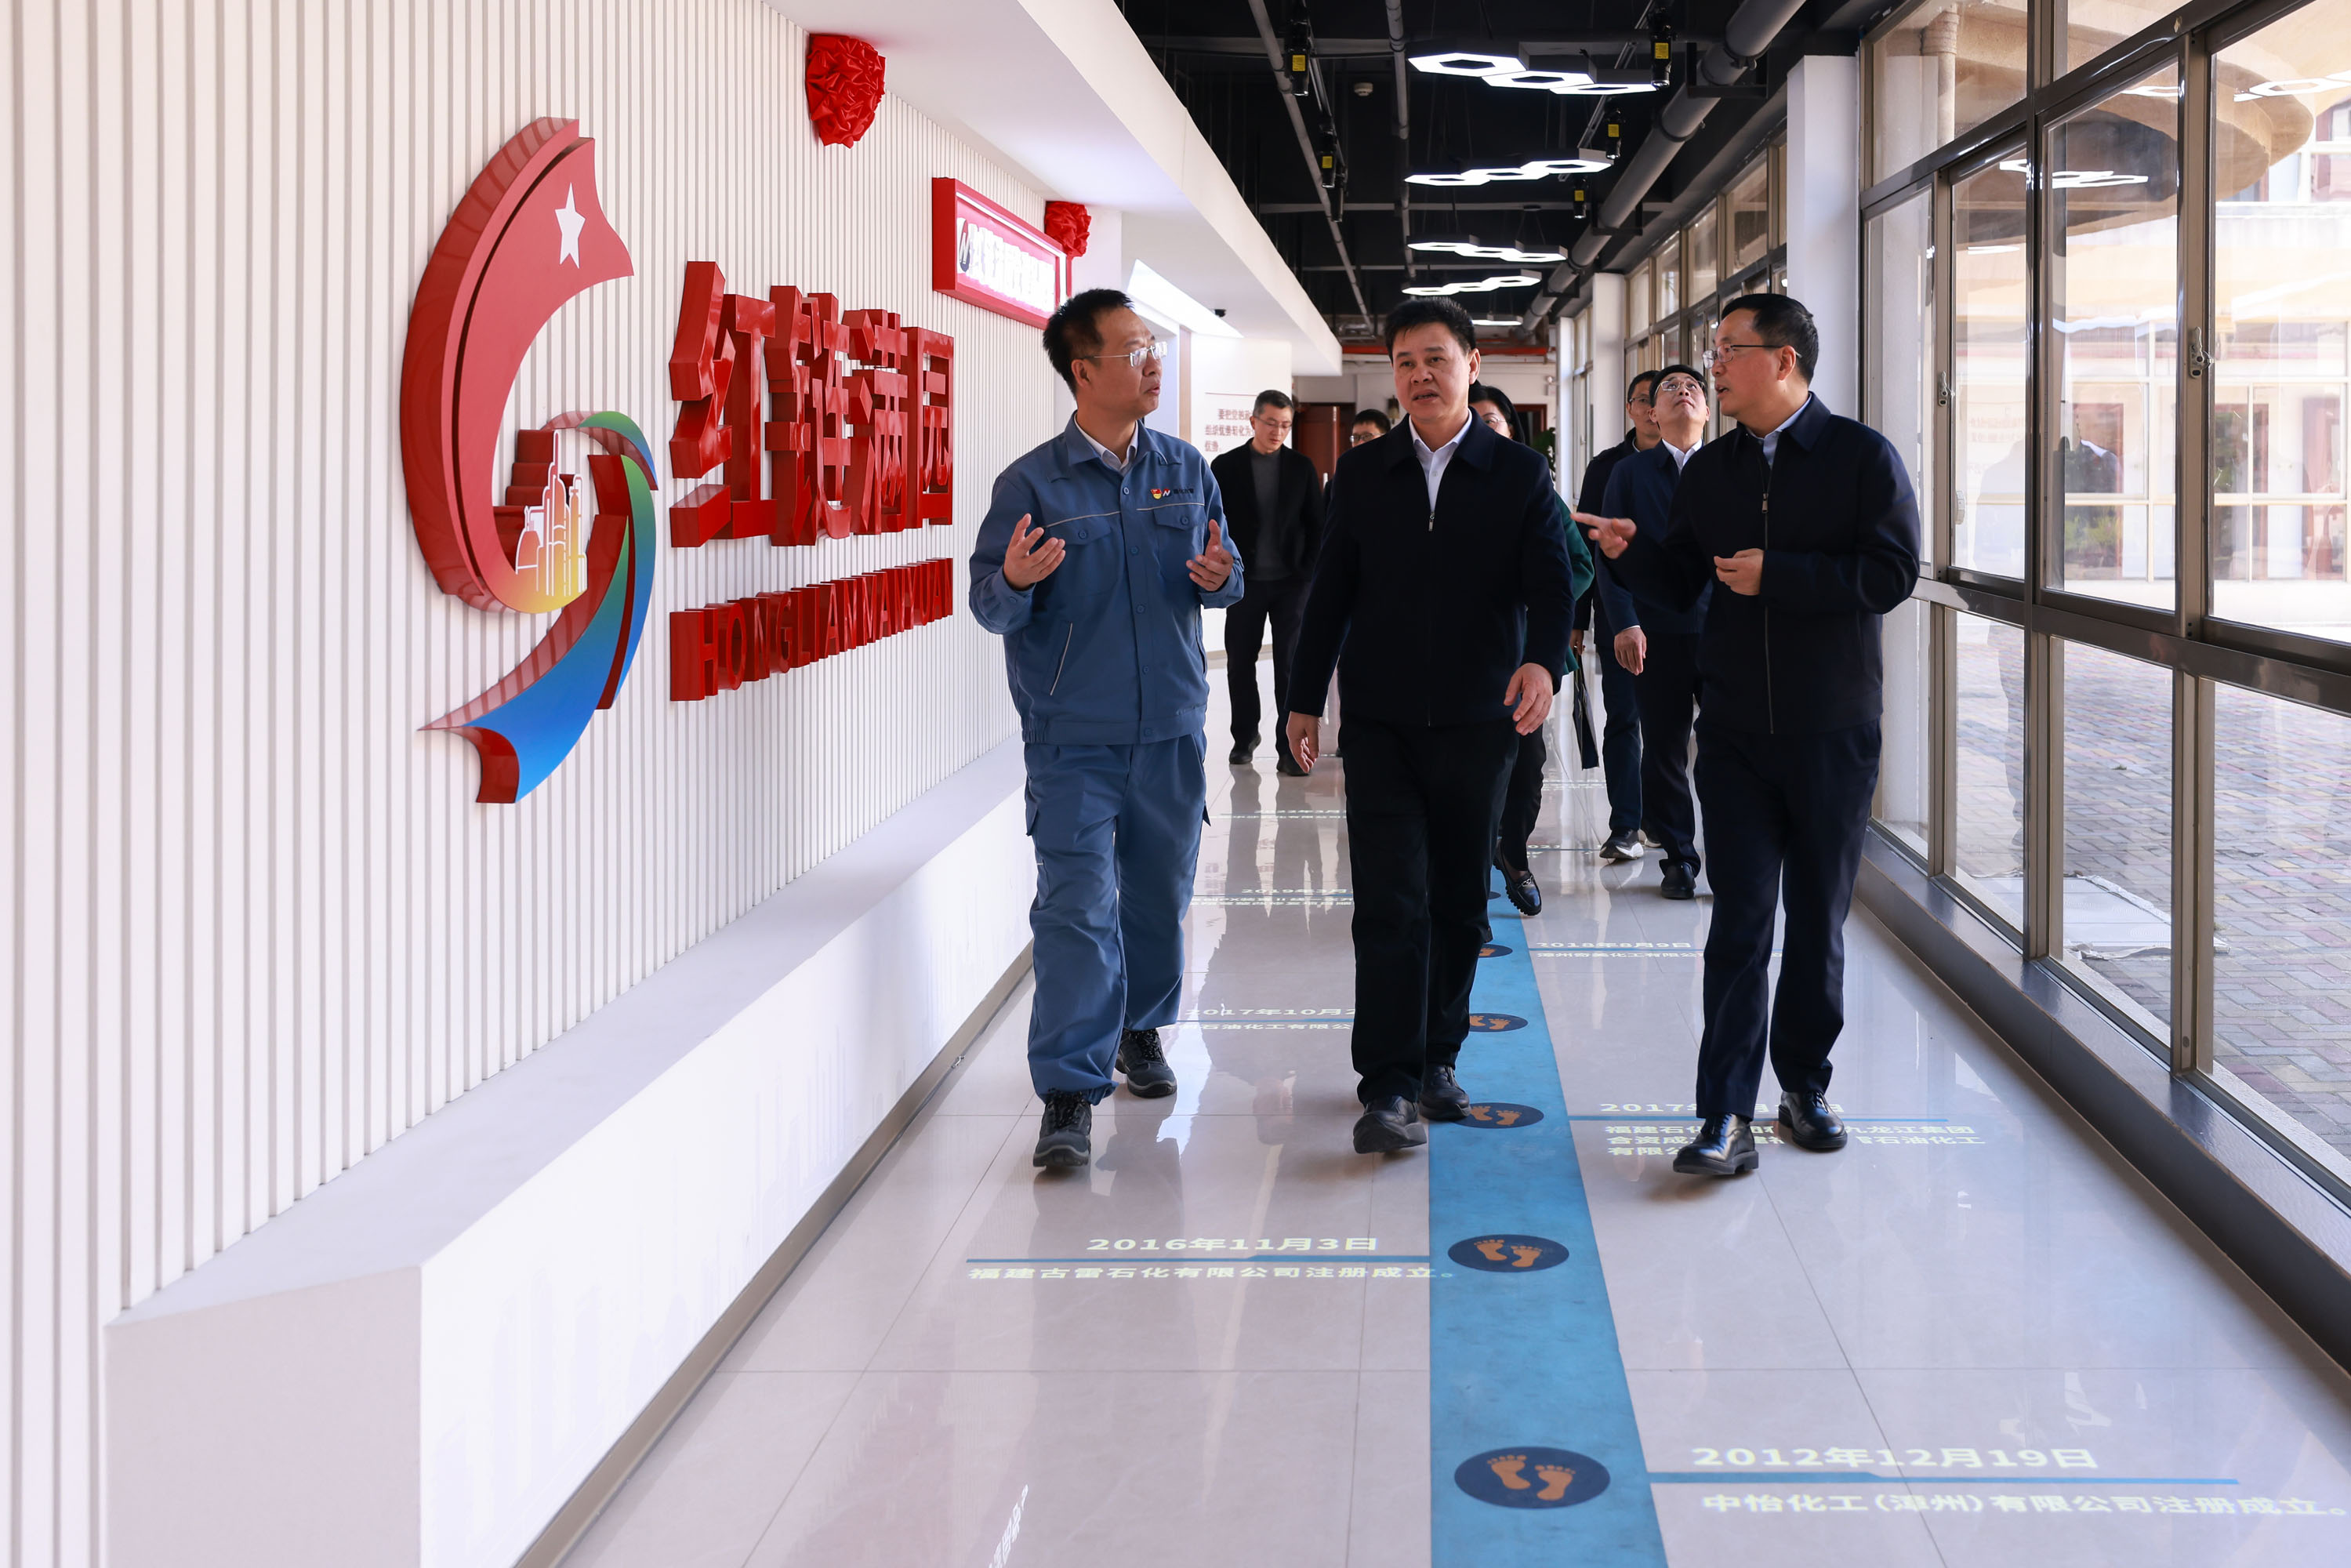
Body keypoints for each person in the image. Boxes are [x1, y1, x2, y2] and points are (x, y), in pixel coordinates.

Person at [1577, 294, 1920, 1178]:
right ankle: (1723, 1112)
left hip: (1831, 729)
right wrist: (1626, 552)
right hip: (1731, 731)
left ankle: (1803, 1085)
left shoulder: (1859, 457)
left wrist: (1783, 576)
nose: (1713, 366)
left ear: (1784, 360)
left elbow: (1890, 573)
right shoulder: (1712, 470)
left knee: (1816, 920)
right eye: (1714, 350)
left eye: (1728, 349)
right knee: (1737, 924)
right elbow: (1681, 577)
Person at [1284, 298, 1581, 1155]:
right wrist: (1304, 698)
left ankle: (1436, 1058)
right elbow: (1330, 592)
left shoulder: (1517, 473)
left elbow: (1553, 583)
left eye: (1436, 359)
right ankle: (1385, 1083)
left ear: (1471, 364)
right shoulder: (1361, 472)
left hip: (1479, 720)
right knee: (1388, 901)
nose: (1419, 375)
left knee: (1456, 901)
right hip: (1379, 722)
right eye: (1405, 362)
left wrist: (1542, 662)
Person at [969, 287, 1244, 1170]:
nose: (1152, 361)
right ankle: (1067, 1089)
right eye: (1133, 349)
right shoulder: (1030, 484)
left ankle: (1140, 1029)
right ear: (1083, 371)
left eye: (1153, 345)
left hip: (1170, 726)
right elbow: (987, 605)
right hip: (1072, 738)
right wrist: (1015, 580)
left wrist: (1222, 576)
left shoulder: (1186, 469)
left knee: (1158, 895)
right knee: (1077, 909)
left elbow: (1227, 574)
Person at [1596, 364, 1713, 901]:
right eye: (1670, 388)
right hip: (1657, 631)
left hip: (1723, 633)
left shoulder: (1728, 468)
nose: (1683, 391)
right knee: (1663, 749)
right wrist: (1626, 621)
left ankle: (1727, 857)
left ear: (1707, 411)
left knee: (1725, 748)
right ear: (1651, 413)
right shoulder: (1629, 474)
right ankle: (1680, 858)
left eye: (1693, 387)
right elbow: (1611, 556)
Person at [1469, 383, 1559, 917]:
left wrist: (1536, 607)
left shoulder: (1532, 483)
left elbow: (1571, 569)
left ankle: (1514, 856)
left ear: (1509, 429)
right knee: (1469, 781)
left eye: (1492, 421)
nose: (1481, 431)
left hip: (1521, 659)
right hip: (1459, 664)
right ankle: (1469, 887)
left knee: (1525, 771)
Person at [1210, 390, 1326, 775]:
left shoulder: (1301, 467)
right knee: (1240, 662)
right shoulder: (1225, 466)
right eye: (1271, 423)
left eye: (1285, 425)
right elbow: (1214, 522)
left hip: (1291, 583)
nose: (1278, 431)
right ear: (1254, 421)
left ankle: (1287, 748)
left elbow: (1317, 524)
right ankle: (1244, 736)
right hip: (1244, 582)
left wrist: (1308, 572)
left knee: (1289, 666)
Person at [1576, 372, 1660, 866]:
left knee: (1672, 726)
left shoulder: (1698, 465)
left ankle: (1662, 819)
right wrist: (1577, 620)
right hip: (1618, 615)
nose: (1652, 408)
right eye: (1643, 400)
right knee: (1624, 719)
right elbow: (1588, 549)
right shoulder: (1606, 467)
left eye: (1659, 398)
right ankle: (1626, 824)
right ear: (1630, 408)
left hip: (1677, 619)